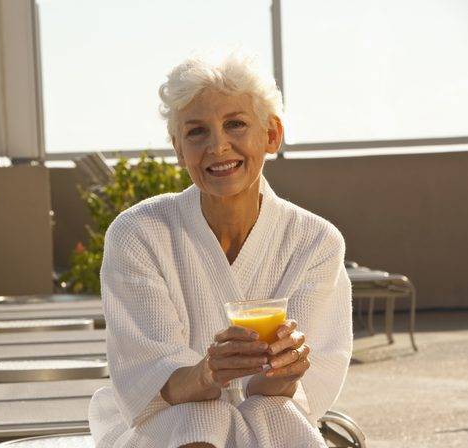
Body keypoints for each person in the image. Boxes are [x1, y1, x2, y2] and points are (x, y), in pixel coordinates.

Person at [88, 52, 352, 448]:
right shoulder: (138, 234)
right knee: (199, 417)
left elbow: (285, 396)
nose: (218, 146)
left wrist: (284, 368)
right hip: (162, 423)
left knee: (276, 415)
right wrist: (208, 373)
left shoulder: (315, 241)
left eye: (236, 124)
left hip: (268, 413)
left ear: (272, 134)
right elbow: (148, 385)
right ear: (179, 149)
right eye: (196, 132)